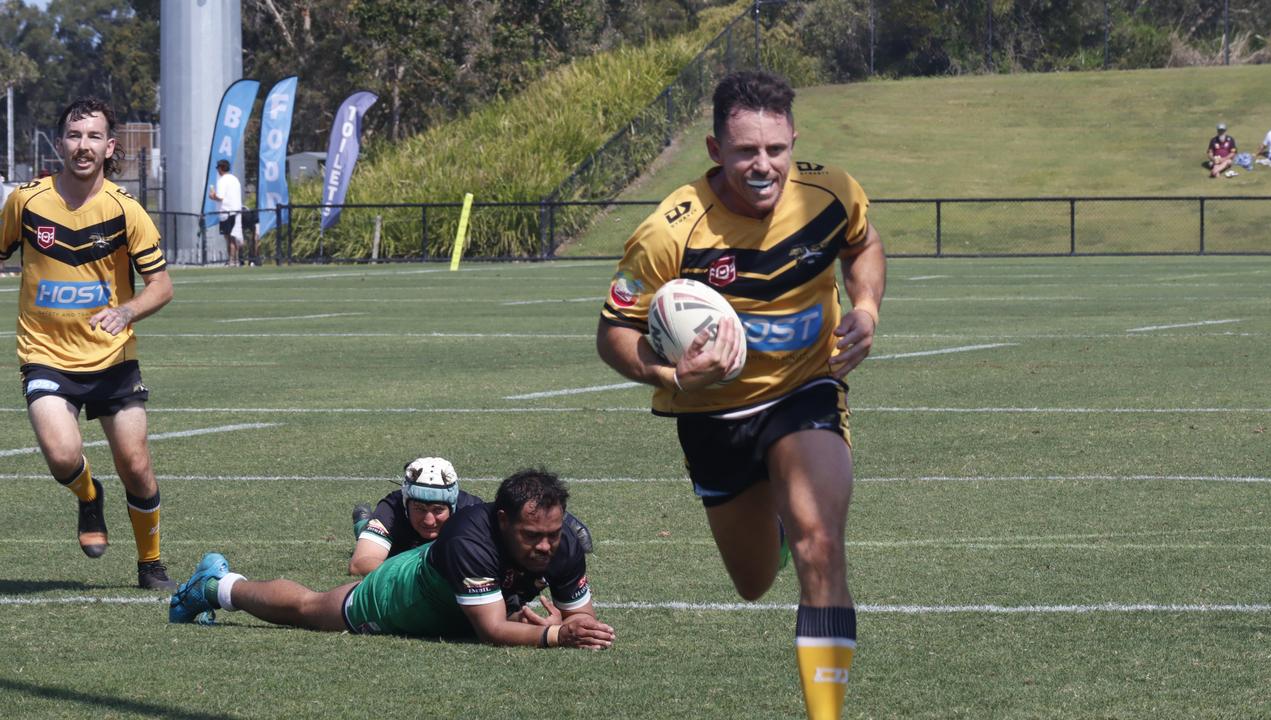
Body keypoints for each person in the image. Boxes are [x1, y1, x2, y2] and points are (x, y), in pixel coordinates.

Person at [596, 71, 885, 720]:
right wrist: (670, 376)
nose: (763, 165)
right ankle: (778, 522)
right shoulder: (671, 232)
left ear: (793, 142)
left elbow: (863, 246)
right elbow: (613, 333)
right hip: (712, 416)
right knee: (754, 582)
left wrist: (865, 306)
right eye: (746, 151)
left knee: (821, 543)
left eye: (776, 150)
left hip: (805, 390)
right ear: (714, 148)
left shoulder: (830, 194)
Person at [0, 97, 176, 590]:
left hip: (112, 360)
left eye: (94, 137)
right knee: (61, 457)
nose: (83, 146)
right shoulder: (26, 201)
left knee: (137, 465)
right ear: (60, 143)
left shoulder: (126, 210)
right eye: (75, 136)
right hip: (46, 356)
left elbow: (161, 285)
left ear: (109, 146)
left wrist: (127, 310)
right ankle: (88, 494)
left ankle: (151, 564)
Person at [169, 468, 615, 650]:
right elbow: (493, 630)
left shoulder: (563, 542)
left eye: (552, 535)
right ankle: (216, 586)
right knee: (308, 609)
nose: (545, 547)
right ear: (502, 522)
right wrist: (556, 635)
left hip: (459, 599)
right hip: (400, 594)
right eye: (532, 536)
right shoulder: (469, 540)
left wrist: (574, 624)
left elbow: (583, 618)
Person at [349, 456, 594, 576]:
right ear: (406, 503)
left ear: (453, 506)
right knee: (370, 532)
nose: (428, 521)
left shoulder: (469, 510)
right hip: (401, 547)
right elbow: (360, 564)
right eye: (419, 509)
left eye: (438, 510)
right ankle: (363, 522)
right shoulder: (392, 509)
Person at [207, 159, 243, 266]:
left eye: (218, 168)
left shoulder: (222, 181)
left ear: (221, 168)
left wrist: (212, 196)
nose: (217, 170)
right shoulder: (235, 179)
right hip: (236, 211)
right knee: (235, 236)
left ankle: (231, 261)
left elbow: (220, 197)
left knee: (229, 238)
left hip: (226, 212)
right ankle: (236, 260)